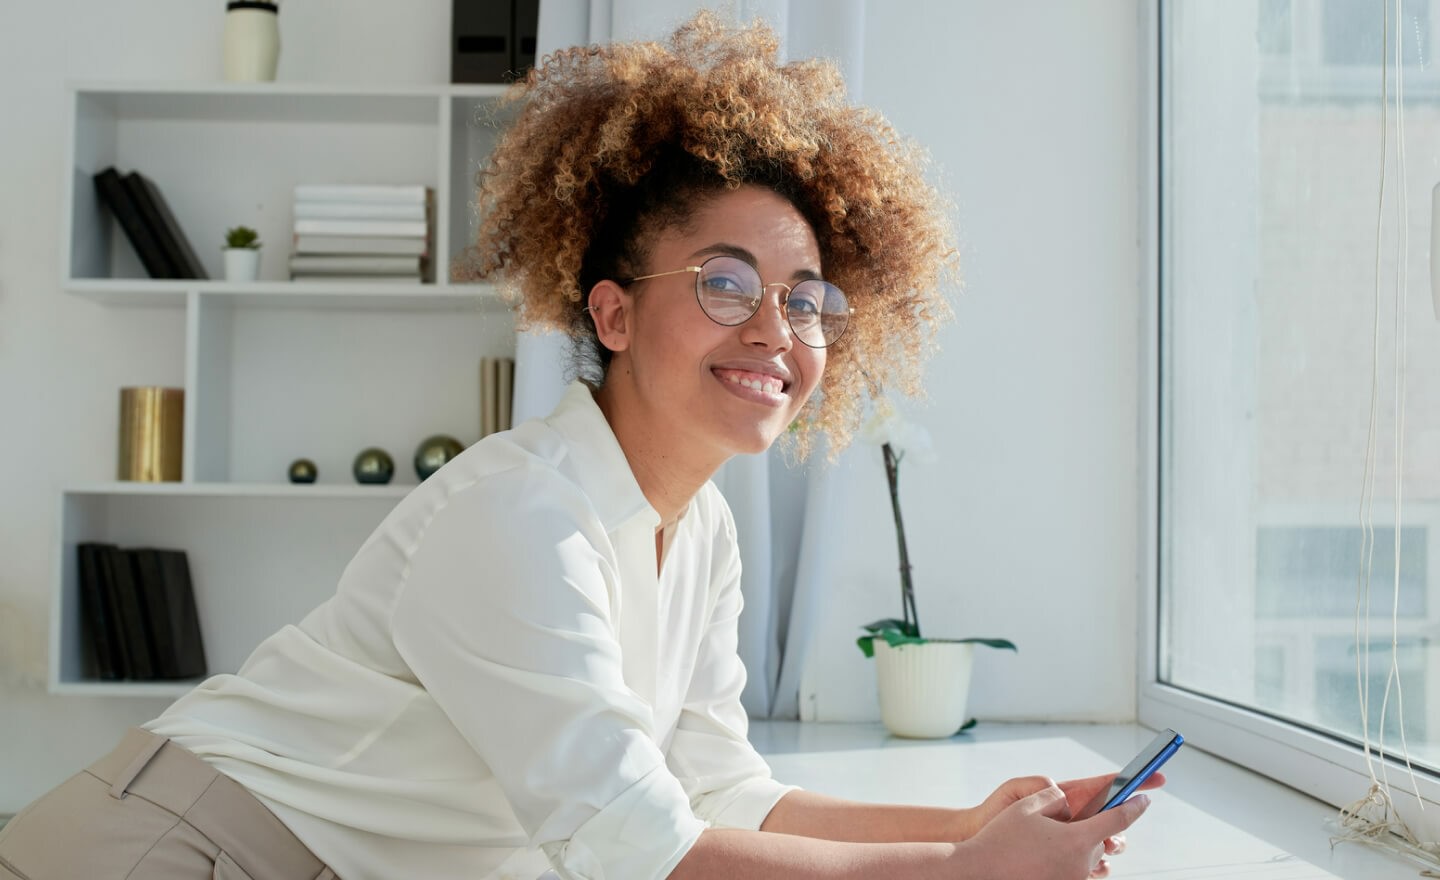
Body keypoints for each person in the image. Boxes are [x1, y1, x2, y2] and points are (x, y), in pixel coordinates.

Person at [0, 12, 1158, 880]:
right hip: (169, 845)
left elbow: (720, 792)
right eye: (725, 282)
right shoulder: (518, 512)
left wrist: (973, 822)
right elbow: (638, 851)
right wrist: (959, 875)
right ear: (609, 315)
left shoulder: (696, 528)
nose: (776, 327)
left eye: (807, 299)